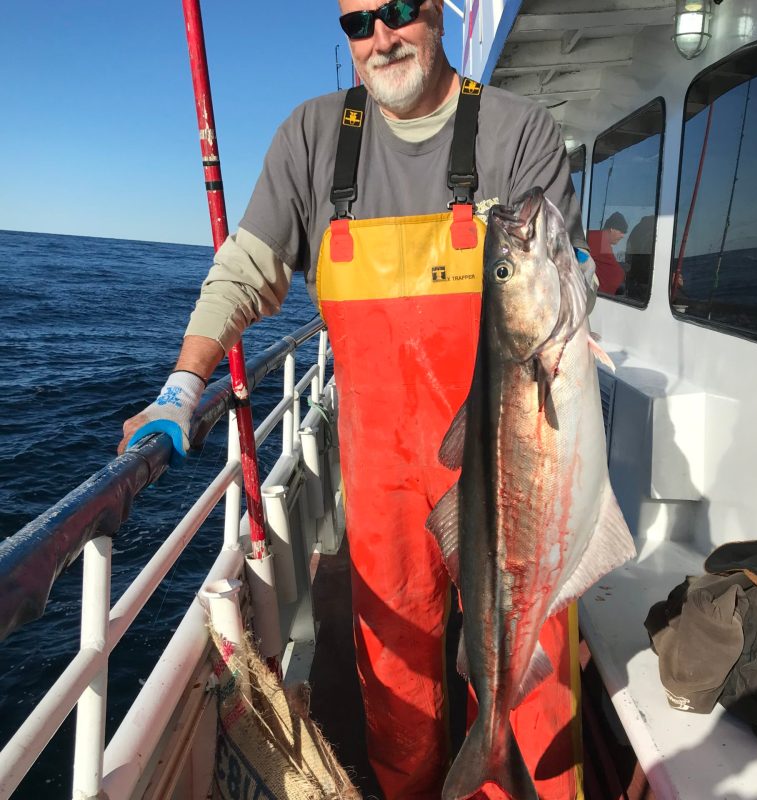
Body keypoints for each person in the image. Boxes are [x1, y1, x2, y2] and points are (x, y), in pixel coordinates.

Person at [119, 2, 594, 797]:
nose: (380, 38)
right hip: (379, 475)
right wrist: (183, 383)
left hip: (514, 464)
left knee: (533, 664)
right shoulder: (312, 136)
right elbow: (245, 271)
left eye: (399, 11)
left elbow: (560, 278)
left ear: (437, 13)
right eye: (358, 23)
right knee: (396, 677)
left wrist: (577, 274)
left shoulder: (517, 130)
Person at [587, 211, 627, 296]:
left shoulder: (603, 241)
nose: (623, 236)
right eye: (621, 231)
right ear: (612, 229)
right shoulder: (598, 239)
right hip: (602, 297)